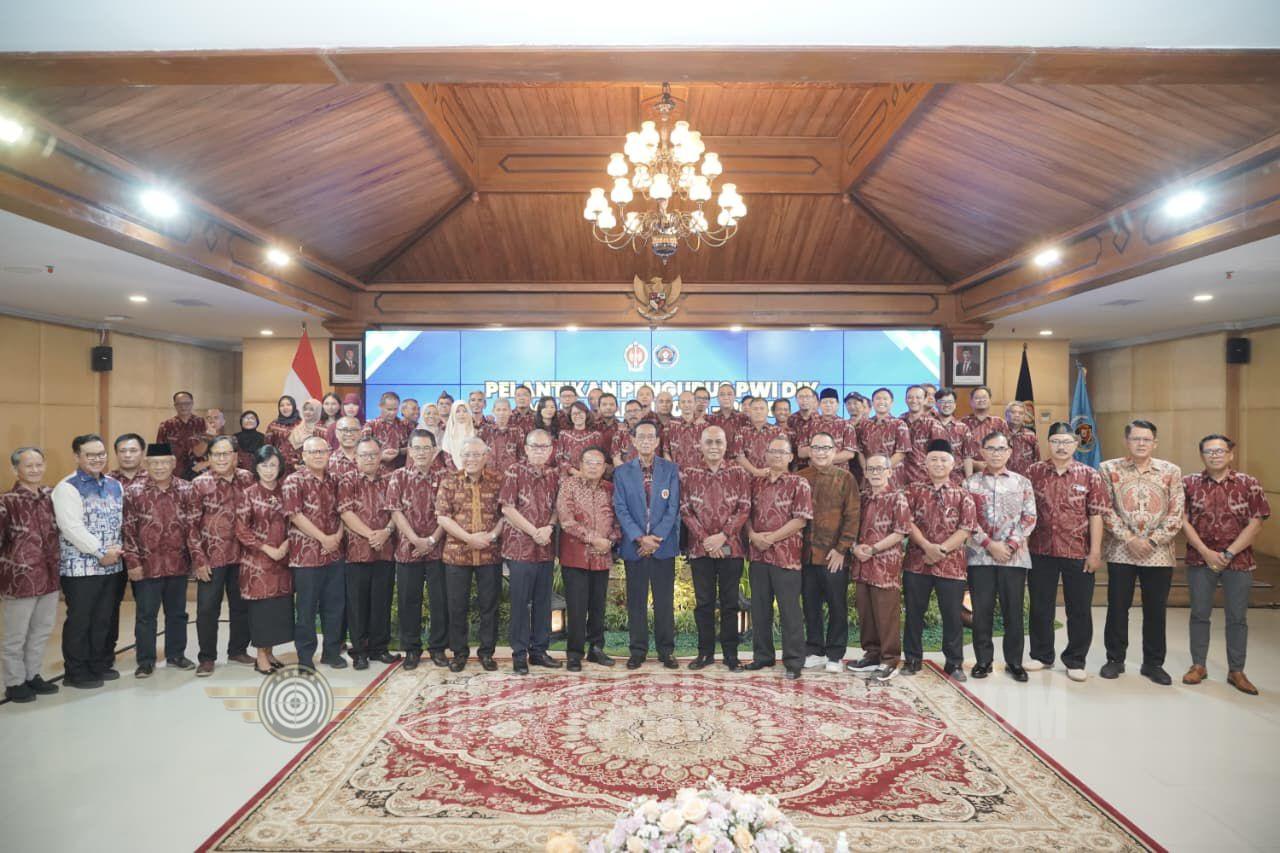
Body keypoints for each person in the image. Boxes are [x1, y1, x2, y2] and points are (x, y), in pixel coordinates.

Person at [1181, 434, 1270, 694]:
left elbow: (1257, 522)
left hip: (1239, 560)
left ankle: (1237, 671)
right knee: (1199, 614)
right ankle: (1198, 665)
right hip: (1200, 559)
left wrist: (1229, 553)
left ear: (1231, 454)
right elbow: (1182, 520)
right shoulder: (1188, 483)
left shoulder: (1249, 483)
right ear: (1202, 455)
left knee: (1237, 617)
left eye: (1220, 451)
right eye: (1209, 451)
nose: (1215, 455)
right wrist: (1205, 552)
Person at [1100, 420, 1185, 685]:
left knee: (1155, 610)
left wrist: (1151, 541)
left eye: (1146, 439)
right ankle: (1115, 659)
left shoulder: (1171, 471)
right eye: (1136, 438)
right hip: (1120, 551)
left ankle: (1153, 663)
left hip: (1158, 553)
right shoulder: (1108, 469)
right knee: (1117, 607)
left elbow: (1177, 512)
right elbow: (1105, 509)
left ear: (1154, 443)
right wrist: (1129, 539)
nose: (1141, 443)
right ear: (1126, 441)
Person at [1026, 422, 1108, 682]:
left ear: (1076, 444)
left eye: (1067, 442)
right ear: (1048, 443)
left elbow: (1096, 514)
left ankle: (1075, 660)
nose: (1061, 446)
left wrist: (1095, 552)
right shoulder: (1033, 472)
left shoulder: (1090, 475)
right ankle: (1041, 655)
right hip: (1040, 549)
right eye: (1056, 441)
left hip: (1077, 551)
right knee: (1040, 606)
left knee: (1079, 609)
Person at [52, 434, 125, 689]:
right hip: (80, 568)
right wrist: (100, 551)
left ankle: (97, 664)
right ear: (77, 456)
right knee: (80, 620)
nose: (97, 459)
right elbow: (71, 528)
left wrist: (114, 551)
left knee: (104, 618)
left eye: (101, 454)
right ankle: (75, 671)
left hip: (112, 565)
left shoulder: (115, 485)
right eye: (90, 455)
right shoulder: (67, 487)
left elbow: (119, 521)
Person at [964, 431, 1037, 682]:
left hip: (1013, 558)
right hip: (980, 557)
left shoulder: (1022, 483)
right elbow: (967, 520)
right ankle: (983, 661)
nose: (996, 453)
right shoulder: (970, 483)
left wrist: (1010, 545)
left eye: (1001, 449)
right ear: (982, 452)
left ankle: (1014, 662)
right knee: (981, 611)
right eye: (991, 448)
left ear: (1009, 452)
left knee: (1013, 611)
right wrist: (989, 544)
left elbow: (1029, 517)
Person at [903, 439, 978, 681]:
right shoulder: (912, 490)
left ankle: (954, 663)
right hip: (917, 563)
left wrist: (941, 550)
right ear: (925, 463)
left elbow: (966, 529)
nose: (938, 463)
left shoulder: (963, 494)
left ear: (953, 464)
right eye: (933, 459)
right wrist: (927, 546)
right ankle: (912, 659)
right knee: (914, 613)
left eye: (943, 459)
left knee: (953, 615)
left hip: (951, 566)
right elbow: (906, 522)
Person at [121, 443, 197, 677]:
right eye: (154, 463)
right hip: (146, 565)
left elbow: (193, 527)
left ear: (173, 463)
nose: (160, 467)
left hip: (178, 563)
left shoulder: (186, 489)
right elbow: (127, 529)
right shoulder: (133, 492)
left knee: (177, 613)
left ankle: (176, 655)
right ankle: (145, 660)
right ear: (146, 464)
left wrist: (195, 560)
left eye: (164, 462)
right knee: (146, 615)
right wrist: (132, 562)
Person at [680, 425, 751, 671]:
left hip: (732, 547)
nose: (713, 447)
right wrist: (706, 540)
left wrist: (722, 536)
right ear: (700, 445)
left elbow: (744, 507)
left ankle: (731, 655)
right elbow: (685, 509)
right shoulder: (689, 473)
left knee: (731, 603)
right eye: (709, 442)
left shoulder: (738, 472)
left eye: (718, 442)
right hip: (700, 549)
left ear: (725, 445)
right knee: (704, 603)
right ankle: (705, 653)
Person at [613, 421, 681, 670]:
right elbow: (620, 508)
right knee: (636, 602)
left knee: (664, 602)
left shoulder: (670, 469)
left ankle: (666, 651)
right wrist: (640, 538)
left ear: (657, 441)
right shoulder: (622, 472)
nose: (645, 441)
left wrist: (656, 538)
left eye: (650, 437)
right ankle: (638, 651)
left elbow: (673, 507)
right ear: (633, 440)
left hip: (663, 546)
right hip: (635, 546)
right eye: (640, 436)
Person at [745, 436, 813, 679]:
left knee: (789, 611)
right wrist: (752, 535)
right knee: (760, 609)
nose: (776, 456)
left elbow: (801, 519)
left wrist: (771, 538)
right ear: (766, 455)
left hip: (786, 557)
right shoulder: (755, 482)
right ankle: (762, 656)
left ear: (790, 457)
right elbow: (746, 513)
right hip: (758, 554)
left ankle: (794, 661)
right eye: (772, 451)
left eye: (782, 452)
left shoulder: (799, 483)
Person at [435, 437, 504, 672]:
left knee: (489, 606)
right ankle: (459, 653)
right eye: (466, 455)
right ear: (460, 457)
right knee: (456, 606)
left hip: (489, 554)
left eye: (476, 454)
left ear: (486, 456)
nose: (471, 459)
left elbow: (506, 513)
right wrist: (469, 538)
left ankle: (487, 653)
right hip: (457, 554)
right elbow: (442, 517)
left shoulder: (498, 480)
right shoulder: (449, 481)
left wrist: (491, 536)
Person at [0, 447, 62, 702]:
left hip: (50, 577)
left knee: (41, 631)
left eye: (39, 464)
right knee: (15, 636)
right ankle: (14, 681)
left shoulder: (51, 496)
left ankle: (32, 674)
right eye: (28, 465)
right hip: (19, 581)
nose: (35, 470)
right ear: (15, 469)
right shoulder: (6, 501)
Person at [190, 435, 254, 676]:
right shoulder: (199, 484)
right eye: (216, 454)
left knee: (242, 606)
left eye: (226, 453)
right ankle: (207, 657)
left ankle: (238, 649)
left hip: (243, 556)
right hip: (211, 557)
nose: (221, 458)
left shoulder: (247, 478)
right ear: (209, 457)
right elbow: (190, 525)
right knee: (207, 609)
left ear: (235, 456)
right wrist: (198, 559)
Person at [500, 429, 562, 674]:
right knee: (520, 602)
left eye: (544, 447)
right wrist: (534, 531)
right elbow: (507, 508)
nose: (539, 451)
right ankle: (519, 653)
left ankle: (539, 651)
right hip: (520, 548)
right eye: (534, 446)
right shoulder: (514, 471)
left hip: (545, 547)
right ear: (526, 448)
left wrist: (549, 527)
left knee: (543, 602)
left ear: (551, 450)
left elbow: (558, 507)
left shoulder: (554, 474)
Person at [282, 435, 346, 670]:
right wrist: (323, 538)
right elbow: (295, 515)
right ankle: (306, 657)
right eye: (313, 452)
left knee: (335, 606)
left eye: (322, 451)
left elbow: (344, 511)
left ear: (329, 453)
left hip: (334, 553)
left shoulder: (335, 480)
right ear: (304, 455)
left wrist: (337, 537)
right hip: (306, 557)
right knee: (306, 609)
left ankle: (332, 652)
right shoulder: (293, 480)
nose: (319, 456)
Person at [798, 431, 860, 673]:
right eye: (816, 448)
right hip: (806, 555)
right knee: (810, 606)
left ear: (834, 452)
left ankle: (835, 654)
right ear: (810, 452)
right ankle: (815, 650)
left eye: (826, 448)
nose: (821, 452)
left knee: (837, 606)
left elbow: (852, 516)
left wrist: (842, 549)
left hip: (834, 555)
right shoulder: (801, 477)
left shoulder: (845, 478)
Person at [387, 429, 449, 670]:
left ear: (434, 451)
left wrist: (431, 540)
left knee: (439, 601)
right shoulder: (398, 476)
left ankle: (438, 648)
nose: (421, 453)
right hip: (407, 549)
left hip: (438, 548)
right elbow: (395, 511)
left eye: (426, 448)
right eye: (417, 448)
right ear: (410, 451)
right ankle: (411, 649)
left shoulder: (446, 476)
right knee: (408, 601)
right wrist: (415, 539)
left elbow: (449, 512)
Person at [848, 454, 911, 682]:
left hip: (885, 566)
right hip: (861, 564)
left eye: (880, 469)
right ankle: (872, 654)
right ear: (865, 473)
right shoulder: (861, 498)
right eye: (871, 469)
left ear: (889, 472)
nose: (875, 473)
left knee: (886, 615)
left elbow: (900, 532)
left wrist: (873, 549)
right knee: (866, 613)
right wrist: (854, 548)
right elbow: (849, 527)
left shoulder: (897, 498)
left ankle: (889, 660)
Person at [338, 437, 399, 670]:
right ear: (356, 457)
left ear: (380, 455)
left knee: (382, 601)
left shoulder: (390, 479)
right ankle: (359, 651)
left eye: (374, 454)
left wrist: (386, 532)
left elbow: (397, 510)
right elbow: (346, 512)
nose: (370, 459)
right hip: (357, 551)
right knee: (357, 604)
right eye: (364, 455)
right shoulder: (348, 480)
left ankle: (379, 648)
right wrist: (371, 534)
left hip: (385, 549)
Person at [557, 447, 620, 671]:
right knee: (576, 607)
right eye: (589, 462)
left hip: (602, 556)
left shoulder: (610, 489)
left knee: (597, 606)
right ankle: (574, 653)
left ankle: (596, 649)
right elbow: (566, 520)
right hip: (575, 556)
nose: (593, 467)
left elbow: (619, 519)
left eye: (598, 463)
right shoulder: (569, 485)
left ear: (605, 467)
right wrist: (594, 539)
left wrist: (610, 541)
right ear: (581, 465)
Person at [234, 445, 294, 675]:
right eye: (264, 465)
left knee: (278, 610)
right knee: (261, 611)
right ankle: (260, 657)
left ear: (280, 467)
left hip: (283, 561)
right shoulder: (248, 493)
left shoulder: (286, 491)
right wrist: (268, 549)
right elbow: (241, 529)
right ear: (256, 467)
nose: (269, 470)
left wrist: (285, 546)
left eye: (273, 465)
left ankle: (269, 652)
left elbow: (295, 522)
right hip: (257, 562)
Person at [106, 432, 146, 667]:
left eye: (133, 450)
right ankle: (106, 653)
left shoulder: (153, 479)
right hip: (113, 554)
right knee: (109, 606)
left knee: (146, 607)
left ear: (142, 453)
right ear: (116, 454)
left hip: (144, 555)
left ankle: (145, 653)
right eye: (123, 451)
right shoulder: (106, 481)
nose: (128, 455)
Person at [856, 388, 909, 486]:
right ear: (872, 402)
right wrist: (868, 469)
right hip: (869, 477)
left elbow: (901, 452)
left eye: (885, 399)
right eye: (878, 398)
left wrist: (882, 470)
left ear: (891, 402)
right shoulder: (863, 425)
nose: (881, 401)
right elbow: (859, 451)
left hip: (892, 478)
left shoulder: (899, 424)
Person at [900, 385, 948, 486]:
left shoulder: (933, 424)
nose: (914, 401)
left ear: (925, 400)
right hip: (900, 481)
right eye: (910, 397)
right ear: (905, 400)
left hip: (924, 481)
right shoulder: (898, 422)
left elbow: (941, 455)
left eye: (918, 397)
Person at [797, 389, 857, 468]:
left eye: (831, 402)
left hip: (839, 473)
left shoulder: (847, 426)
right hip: (814, 472)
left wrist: (822, 461)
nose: (828, 405)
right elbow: (801, 453)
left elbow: (849, 454)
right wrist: (815, 448)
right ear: (819, 404)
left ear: (837, 404)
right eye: (825, 402)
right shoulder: (808, 425)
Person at [156, 391, 207, 480]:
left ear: (192, 403)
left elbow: (213, 448)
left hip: (199, 472)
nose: (183, 407)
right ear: (175, 405)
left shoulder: (202, 423)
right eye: (179, 404)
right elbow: (159, 452)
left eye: (187, 403)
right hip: (175, 472)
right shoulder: (166, 425)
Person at [933, 388, 974, 486]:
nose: (946, 405)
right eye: (942, 402)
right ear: (936, 404)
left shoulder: (963, 428)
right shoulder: (928, 425)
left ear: (955, 405)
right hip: (932, 479)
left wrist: (969, 481)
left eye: (950, 402)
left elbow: (967, 457)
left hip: (957, 480)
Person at [735, 396, 784, 477]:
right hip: (747, 478)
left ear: (767, 411)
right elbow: (739, 457)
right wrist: (756, 472)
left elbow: (783, 455)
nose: (758, 411)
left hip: (772, 477)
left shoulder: (777, 431)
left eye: (762, 408)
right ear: (750, 411)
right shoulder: (741, 431)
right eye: (755, 409)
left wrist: (769, 471)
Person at [962, 387, 1007, 471]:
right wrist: (974, 464)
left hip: (996, 470)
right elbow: (956, 451)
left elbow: (1007, 449)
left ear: (990, 400)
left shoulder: (1000, 423)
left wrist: (992, 464)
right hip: (969, 471)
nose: (981, 400)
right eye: (977, 398)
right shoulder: (962, 424)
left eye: (984, 397)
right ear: (971, 402)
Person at [664, 390, 708, 471]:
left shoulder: (705, 426)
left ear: (695, 404)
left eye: (689, 401)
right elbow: (666, 452)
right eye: (683, 402)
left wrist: (698, 472)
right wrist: (673, 471)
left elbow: (708, 453)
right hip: (675, 474)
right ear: (679, 405)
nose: (686, 405)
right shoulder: (670, 425)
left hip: (698, 474)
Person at [365, 391, 409, 472]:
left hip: (401, 473)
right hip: (377, 473)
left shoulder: (405, 425)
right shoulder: (371, 426)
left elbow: (413, 448)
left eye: (395, 409)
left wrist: (398, 452)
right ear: (380, 406)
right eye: (389, 409)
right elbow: (362, 452)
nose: (392, 413)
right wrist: (380, 456)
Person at [556, 402, 602, 477]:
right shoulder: (563, 435)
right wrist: (573, 471)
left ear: (586, 414)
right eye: (574, 413)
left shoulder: (596, 435)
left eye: (580, 412)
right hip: (568, 476)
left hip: (590, 475)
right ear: (570, 416)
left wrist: (585, 473)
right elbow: (559, 458)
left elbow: (599, 458)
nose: (577, 415)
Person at [480, 397, 523, 473]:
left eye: (504, 410)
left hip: (511, 475)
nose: (501, 413)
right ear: (493, 411)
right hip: (489, 475)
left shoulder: (517, 431)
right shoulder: (485, 430)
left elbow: (522, 454)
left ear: (510, 411)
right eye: (498, 410)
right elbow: (479, 453)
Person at [440, 400, 480, 470]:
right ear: (453, 414)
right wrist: (458, 473)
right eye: (458, 411)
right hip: (453, 472)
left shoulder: (476, 433)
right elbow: (446, 456)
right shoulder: (448, 434)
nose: (462, 414)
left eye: (465, 411)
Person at [266, 395, 301, 472]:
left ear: (294, 406)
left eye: (288, 404)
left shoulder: (302, 425)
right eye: (282, 405)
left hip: (299, 467)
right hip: (279, 466)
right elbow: (268, 446)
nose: (285, 407)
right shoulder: (273, 425)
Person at [1006, 401, 1041, 475]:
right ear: (1006, 414)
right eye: (1013, 412)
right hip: (1004, 478)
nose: (1017, 415)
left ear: (1024, 416)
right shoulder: (999, 434)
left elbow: (1037, 460)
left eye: (1021, 413)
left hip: (1025, 478)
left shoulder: (1030, 435)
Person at [328, 416, 363, 481]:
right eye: (344, 430)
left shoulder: (370, 457)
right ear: (336, 433)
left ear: (360, 433)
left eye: (353, 430)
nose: (349, 434)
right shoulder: (327, 460)